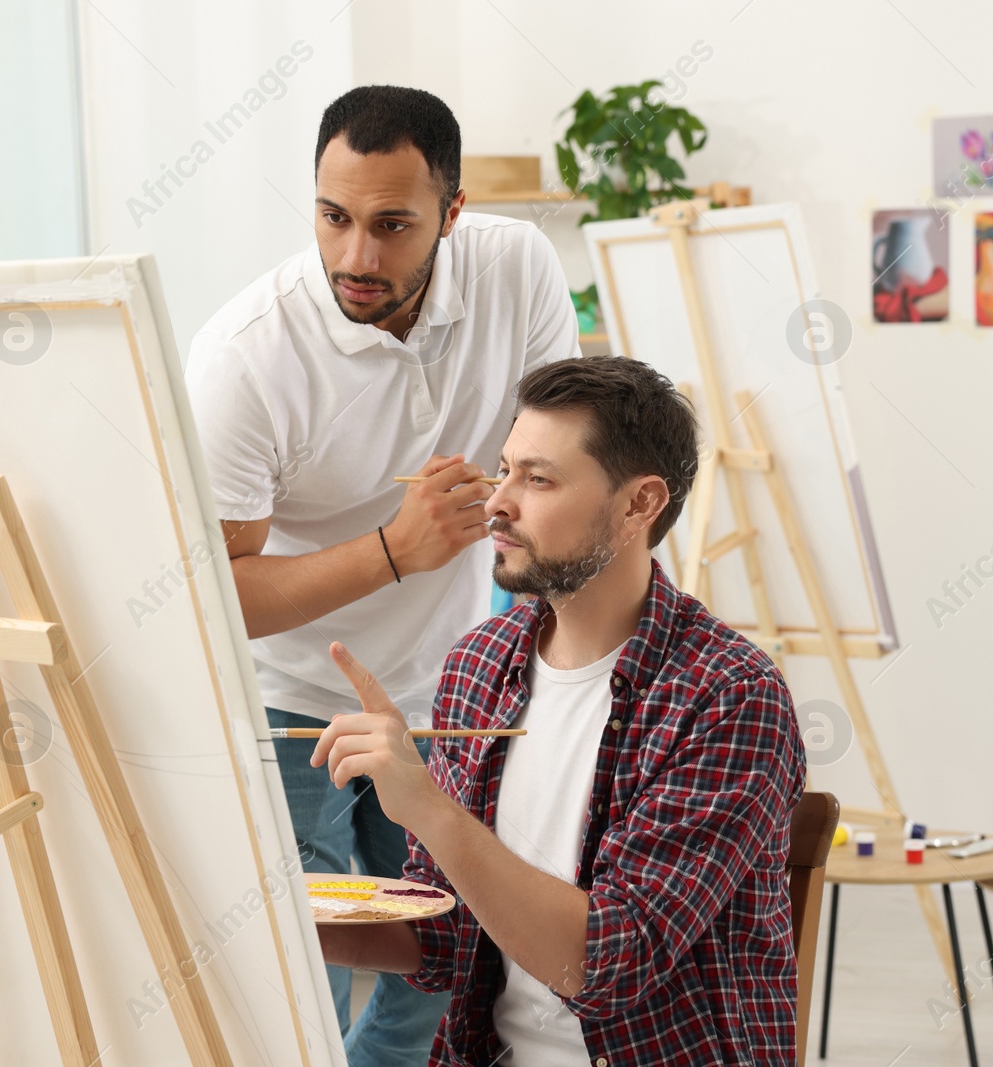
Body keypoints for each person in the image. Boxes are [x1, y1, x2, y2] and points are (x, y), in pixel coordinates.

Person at [184, 85, 581, 1064]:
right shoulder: (244, 360)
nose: (356, 256)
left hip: (441, 692)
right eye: (334, 217)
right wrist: (394, 550)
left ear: (452, 214)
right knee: (294, 976)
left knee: (453, 954)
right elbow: (217, 593)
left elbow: (559, 458)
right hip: (283, 703)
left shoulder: (514, 266)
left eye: (393, 224)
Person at [312, 356, 807, 1065]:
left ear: (640, 504)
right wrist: (289, 916)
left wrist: (425, 806)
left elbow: (606, 964)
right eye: (503, 470)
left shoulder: (728, 696)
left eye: (537, 478)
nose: (496, 503)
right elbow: (445, 937)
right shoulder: (480, 665)